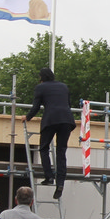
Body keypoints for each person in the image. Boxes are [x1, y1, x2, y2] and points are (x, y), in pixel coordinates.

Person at [26, 67, 75, 199]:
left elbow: (36, 107)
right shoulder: (64, 86)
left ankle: (49, 177)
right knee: (61, 152)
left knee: (44, 148)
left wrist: (27, 117)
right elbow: (68, 104)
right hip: (66, 120)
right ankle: (60, 183)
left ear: (42, 78)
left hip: (51, 120)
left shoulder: (40, 87)